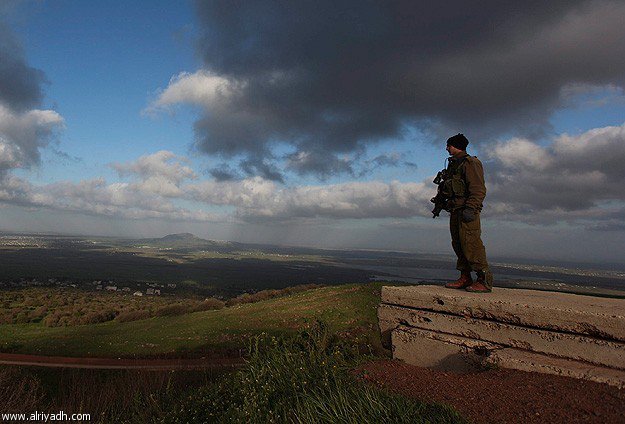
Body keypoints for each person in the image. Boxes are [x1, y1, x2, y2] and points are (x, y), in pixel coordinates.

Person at [441, 134, 493, 292]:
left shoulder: (471, 163)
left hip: (466, 210)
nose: (447, 148)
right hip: (455, 209)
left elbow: (478, 188)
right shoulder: (454, 165)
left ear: (456, 146)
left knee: (471, 244)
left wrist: (471, 208)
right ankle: (465, 277)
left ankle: (483, 280)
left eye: (449, 145)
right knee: (458, 244)